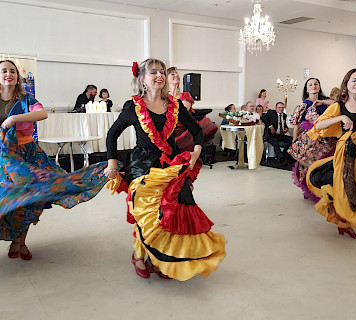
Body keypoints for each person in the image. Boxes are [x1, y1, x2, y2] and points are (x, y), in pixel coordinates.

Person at [105, 58, 225, 281]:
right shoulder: (133, 107)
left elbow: (197, 131)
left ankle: (161, 258)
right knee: (147, 215)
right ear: (142, 79)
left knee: (174, 213)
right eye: (153, 72)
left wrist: (196, 152)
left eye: (161, 72)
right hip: (143, 166)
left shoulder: (175, 106)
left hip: (171, 165)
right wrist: (112, 163)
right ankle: (139, 255)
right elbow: (112, 134)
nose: (159, 75)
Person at [0, 60, 111, 259]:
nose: (9, 74)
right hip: (4, 158)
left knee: (32, 197)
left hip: (28, 154)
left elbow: (41, 114)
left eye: (12, 71)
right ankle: (14, 237)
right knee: (10, 198)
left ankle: (21, 242)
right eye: (4, 71)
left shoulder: (26, 98)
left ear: (17, 77)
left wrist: (14, 119)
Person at [306, 68, 356, 239]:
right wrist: (341, 118)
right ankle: (347, 222)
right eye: (354, 80)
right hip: (348, 151)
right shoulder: (340, 106)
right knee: (348, 187)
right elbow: (318, 126)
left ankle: (348, 222)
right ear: (346, 83)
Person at [288, 78, 337, 201]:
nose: (313, 86)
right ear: (307, 89)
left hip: (326, 139)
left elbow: (339, 104)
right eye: (310, 84)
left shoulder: (325, 102)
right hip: (309, 140)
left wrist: (324, 101)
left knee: (326, 165)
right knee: (309, 166)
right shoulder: (304, 104)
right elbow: (297, 123)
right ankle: (310, 190)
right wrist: (295, 142)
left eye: (316, 84)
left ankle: (325, 190)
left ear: (319, 87)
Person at [167, 66, 218, 152]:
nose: (176, 75)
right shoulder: (164, 97)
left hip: (182, 132)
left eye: (177, 74)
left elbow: (182, 112)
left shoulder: (185, 95)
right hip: (168, 131)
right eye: (172, 74)